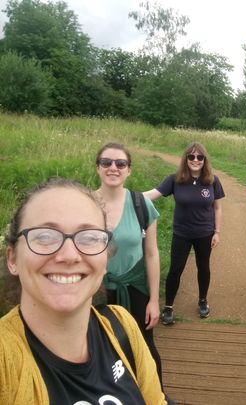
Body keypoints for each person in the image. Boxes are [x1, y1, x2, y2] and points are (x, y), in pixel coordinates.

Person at [1, 178, 166, 404]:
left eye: (89, 238)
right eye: (45, 236)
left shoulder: (122, 326)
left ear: (106, 258)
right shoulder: (5, 360)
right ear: (12, 259)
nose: (69, 256)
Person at [94, 143, 164, 384]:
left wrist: (154, 300)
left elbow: (152, 254)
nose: (113, 167)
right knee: (99, 349)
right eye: (106, 162)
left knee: (145, 346)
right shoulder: (84, 205)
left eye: (120, 163)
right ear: (98, 168)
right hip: (96, 291)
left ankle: (157, 396)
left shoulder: (141, 205)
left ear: (128, 170)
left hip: (135, 288)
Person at [145, 142, 224, 323]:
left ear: (204, 160)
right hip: (181, 233)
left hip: (205, 233)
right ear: (186, 159)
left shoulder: (213, 180)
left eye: (199, 157)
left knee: (203, 267)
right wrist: (126, 196)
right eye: (191, 157)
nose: (195, 160)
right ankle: (169, 306)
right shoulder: (175, 179)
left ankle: (203, 301)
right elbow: (152, 194)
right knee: (176, 269)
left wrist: (217, 232)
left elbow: (218, 208)